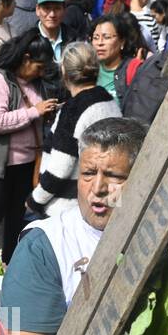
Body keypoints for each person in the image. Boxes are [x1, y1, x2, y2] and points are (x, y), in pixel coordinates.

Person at [3, 116, 145, 335]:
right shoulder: (44, 247)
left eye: (115, 176)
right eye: (88, 173)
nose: (98, 188)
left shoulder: (161, 233)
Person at [0, 29, 57, 263]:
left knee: (16, 217)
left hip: (25, 163)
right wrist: (33, 112)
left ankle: (11, 266)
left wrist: (44, 115)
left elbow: (32, 114)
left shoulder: (35, 83)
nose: (41, 72)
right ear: (26, 58)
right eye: (39, 66)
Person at [26, 42, 120, 221]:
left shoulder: (74, 109)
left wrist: (35, 200)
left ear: (64, 71)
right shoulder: (109, 101)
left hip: (70, 210)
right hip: (104, 203)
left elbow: (61, 167)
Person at [90, 13, 143, 104]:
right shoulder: (88, 69)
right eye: (96, 38)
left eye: (106, 37)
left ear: (122, 41)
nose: (100, 43)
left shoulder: (134, 70)